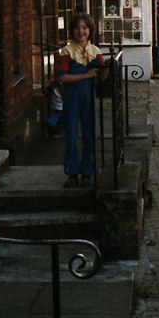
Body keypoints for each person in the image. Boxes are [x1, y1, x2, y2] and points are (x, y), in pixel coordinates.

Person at [54, 13, 106, 187]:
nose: (81, 31)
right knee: (71, 135)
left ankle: (87, 172)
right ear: (72, 31)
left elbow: (102, 76)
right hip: (72, 97)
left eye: (84, 28)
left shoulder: (95, 51)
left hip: (88, 95)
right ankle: (72, 172)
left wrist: (108, 66)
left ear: (90, 31)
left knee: (90, 133)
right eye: (77, 28)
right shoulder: (66, 52)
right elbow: (62, 78)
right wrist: (86, 75)